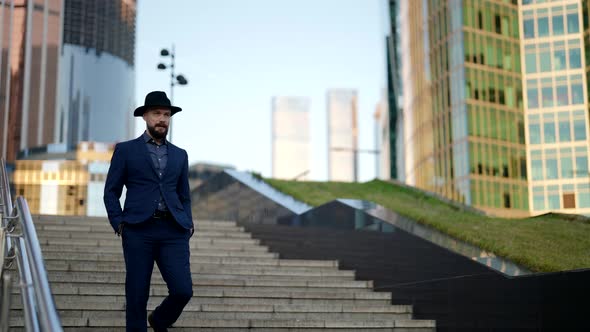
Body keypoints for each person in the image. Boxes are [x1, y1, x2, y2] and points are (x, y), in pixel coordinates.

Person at [104, 91, 194, 332]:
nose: (162, 119)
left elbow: (184, 195)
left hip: (173, 230)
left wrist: (188, 223)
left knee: (183, 289)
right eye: (157, 113)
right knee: (137, 291)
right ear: (145, 116)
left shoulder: (180, 155)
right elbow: (111, 191)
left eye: (166, 114)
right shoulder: (125, 150)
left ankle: (160, 320)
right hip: (138, 230)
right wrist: (118, 222)